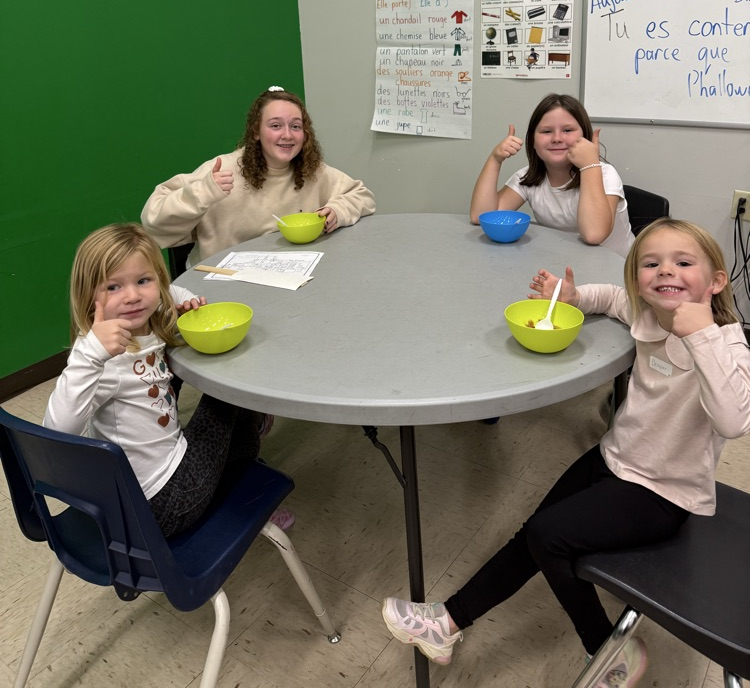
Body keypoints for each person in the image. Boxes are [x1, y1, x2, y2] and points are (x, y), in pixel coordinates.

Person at [383, 218, 750, 684]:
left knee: (547, 536)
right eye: (651, 264)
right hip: (614, 458)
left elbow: (734, 420)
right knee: (531, 534)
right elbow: (613, 299)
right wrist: (574, 296)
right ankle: (446, 623)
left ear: (716, 281)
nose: (665, 273)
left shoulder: (727, 343)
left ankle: (605, 649)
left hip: (664, 492)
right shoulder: (648, 313)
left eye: (683, 263)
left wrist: (700, 335)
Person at [43, 223, 292, 537]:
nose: (133, 296)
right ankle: (256, 498)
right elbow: (56, 434)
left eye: (143, 280)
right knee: (229, 387)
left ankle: (248, 449)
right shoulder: (100, 357)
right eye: (113, 287)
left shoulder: (146, 310)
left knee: (229, 404)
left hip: (147, 488)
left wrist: (187, 306)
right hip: (164, 503)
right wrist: (89, 356)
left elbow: (172, 293)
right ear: (87, 293)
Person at [141, 87, 376, 265]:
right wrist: (202, 192)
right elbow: (153, 220)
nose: (287, 135)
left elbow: (361, 195)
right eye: (275, 126)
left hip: (292, 276)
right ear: (256, 132)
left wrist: (338, 211)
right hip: (223, 281)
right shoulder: (222, 168)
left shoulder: (313, 170)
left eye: (296, 126)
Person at [469, 94, 633, 257]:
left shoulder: (605, 174)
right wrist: (495, 159)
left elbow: (594, 235)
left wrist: (590, 164)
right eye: (546, 131)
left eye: (567, 130)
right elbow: (480, 216)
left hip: (617, 270)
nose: (556, 138)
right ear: (533, 140)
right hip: (567, 265)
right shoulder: (528, 177)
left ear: (585, 136)